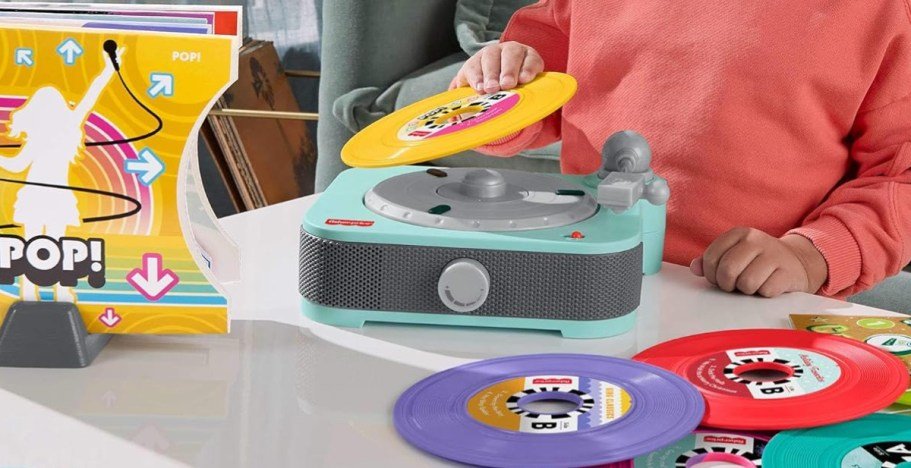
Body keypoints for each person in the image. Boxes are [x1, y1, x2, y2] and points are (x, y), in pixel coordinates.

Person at [450, 1, 911, 298]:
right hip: (584, 268)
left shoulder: (883, 13)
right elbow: (524, 97)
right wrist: (488, 86)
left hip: (747, 299)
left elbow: (898, 178)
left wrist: (810, 258)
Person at [0, 47, 124, 301]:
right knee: (52, 243)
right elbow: (90, 98)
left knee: (35, 244)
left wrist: (108, 71)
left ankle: (34, 290)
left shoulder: (57, 134)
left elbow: (16, 166)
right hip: (48, 195)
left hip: (40, 194)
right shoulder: (63, 131)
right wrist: (108, 70)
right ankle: (57, 290)